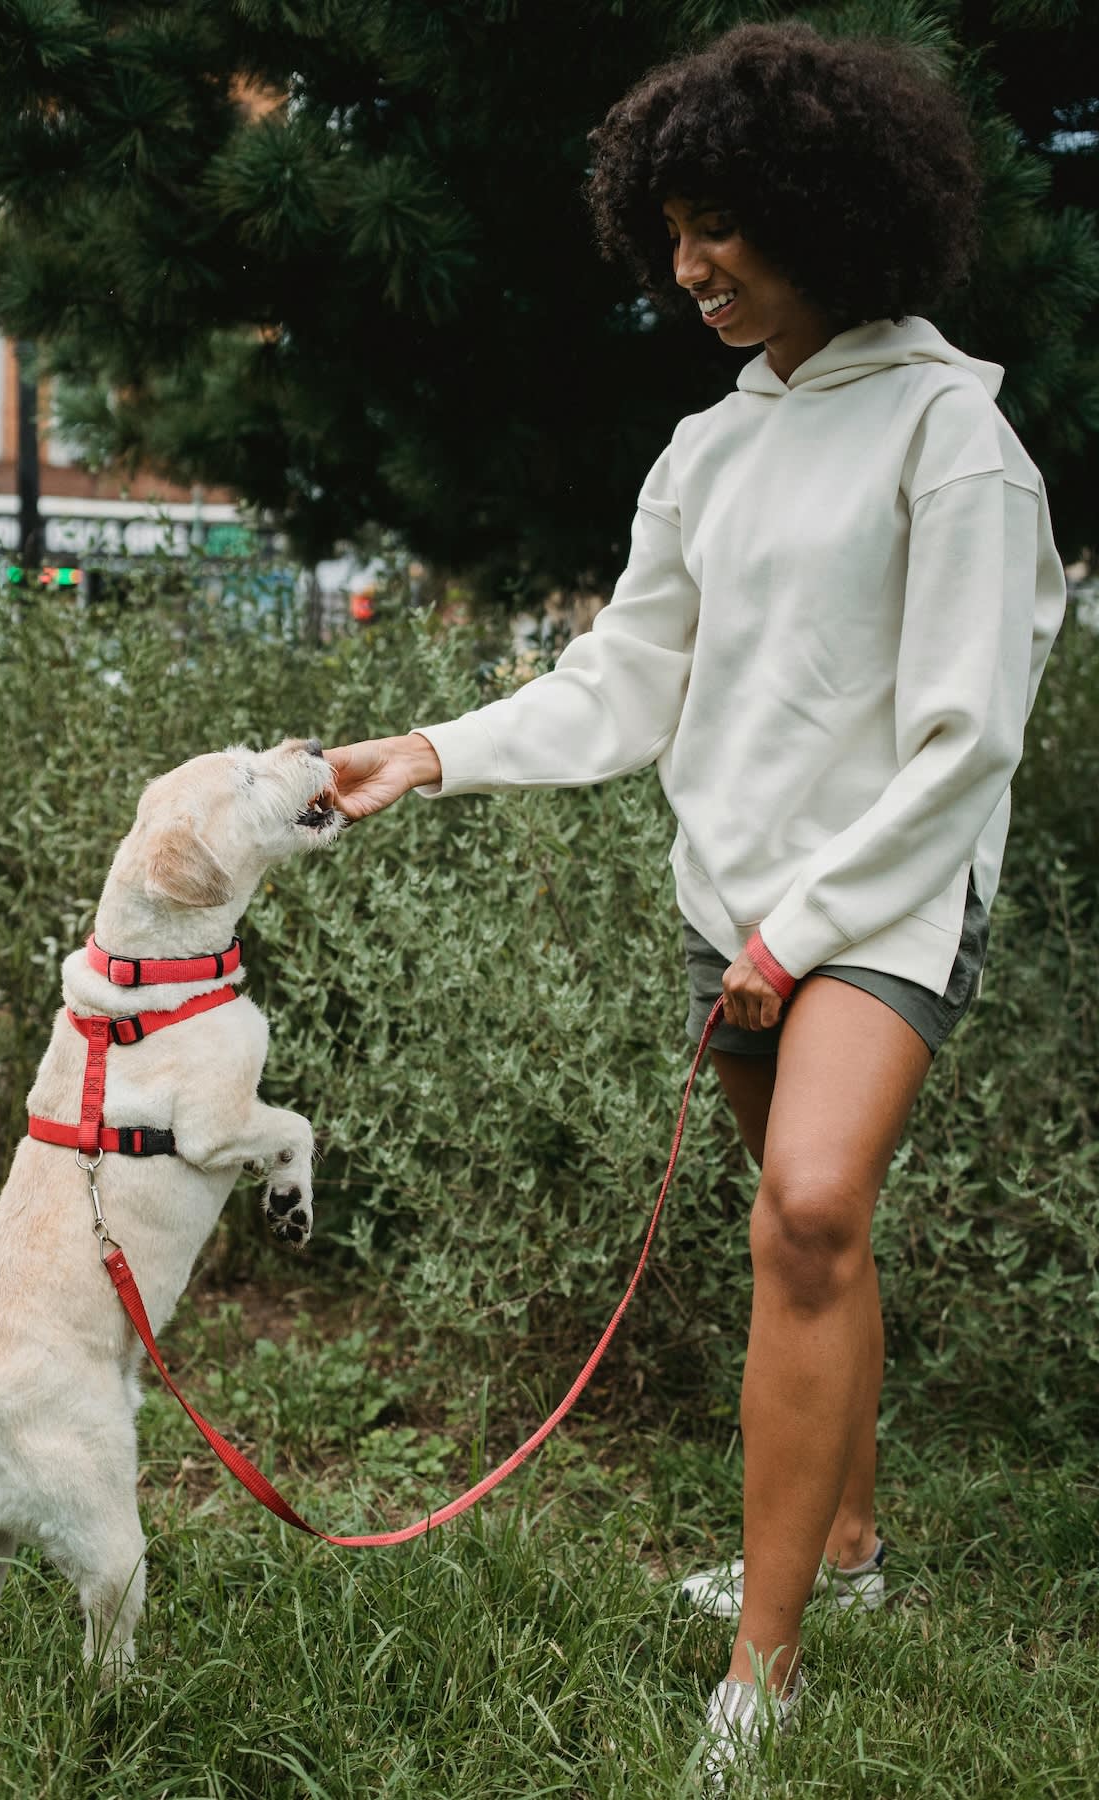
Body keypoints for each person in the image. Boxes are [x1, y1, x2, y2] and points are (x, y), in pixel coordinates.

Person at [325, 20, 1067, 1789]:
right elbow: (620, 683)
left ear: (829, 204)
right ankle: (858, 1549)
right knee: (820, 1237)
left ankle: (767, 1663)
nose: (689, 269)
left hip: (872, 906)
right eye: (667, 232)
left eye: (720, 222)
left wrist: (799, 934)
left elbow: (967, 743)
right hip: (724, 899)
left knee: (807, 1211)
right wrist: (425, 749)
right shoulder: (705, 450)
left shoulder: (957, 436)